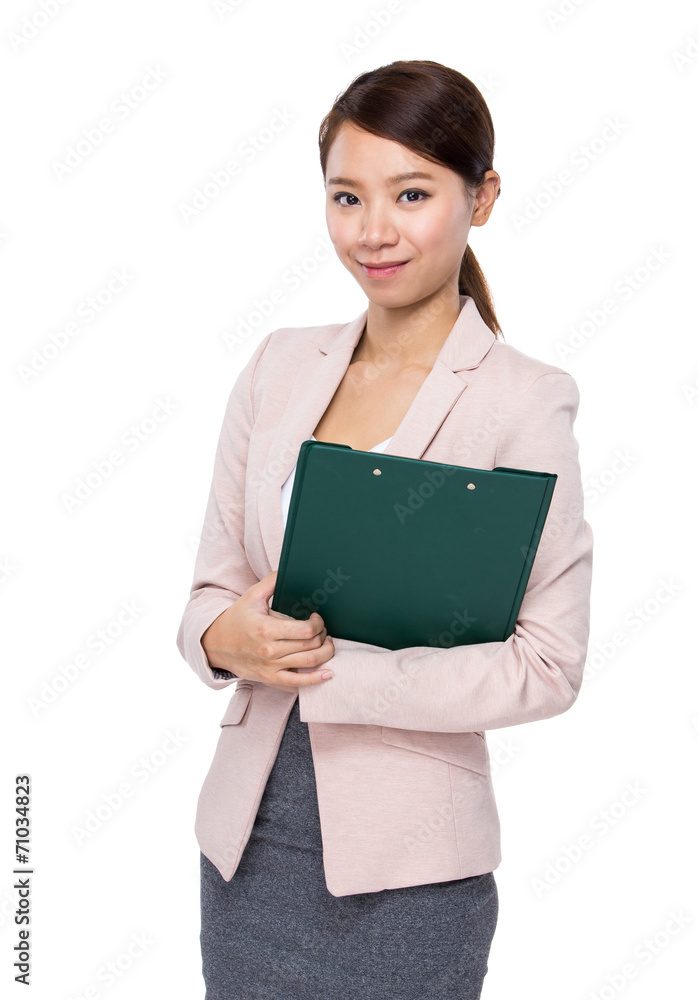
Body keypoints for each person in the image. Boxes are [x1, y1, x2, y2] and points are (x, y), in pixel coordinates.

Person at [176, 59, 593, 1000]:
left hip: (411, 877)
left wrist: (341, 676)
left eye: (412, 193)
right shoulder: (276, 369)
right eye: (346, 196)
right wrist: (219, 635)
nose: (373, 231)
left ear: (481, 198)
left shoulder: (525, 402)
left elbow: (547, 664)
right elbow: (209, 587)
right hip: (246, 848)